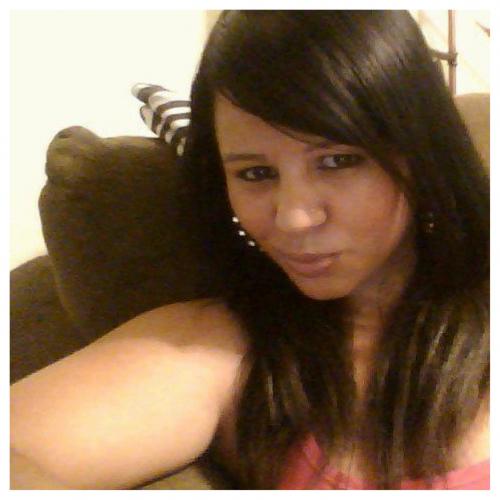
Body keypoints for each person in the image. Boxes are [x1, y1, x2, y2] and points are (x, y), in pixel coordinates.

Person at [10, 10, 489, 490]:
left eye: (338, 161)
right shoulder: (226, 346)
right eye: (255, 174)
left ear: (420, 151)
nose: (294, 217)